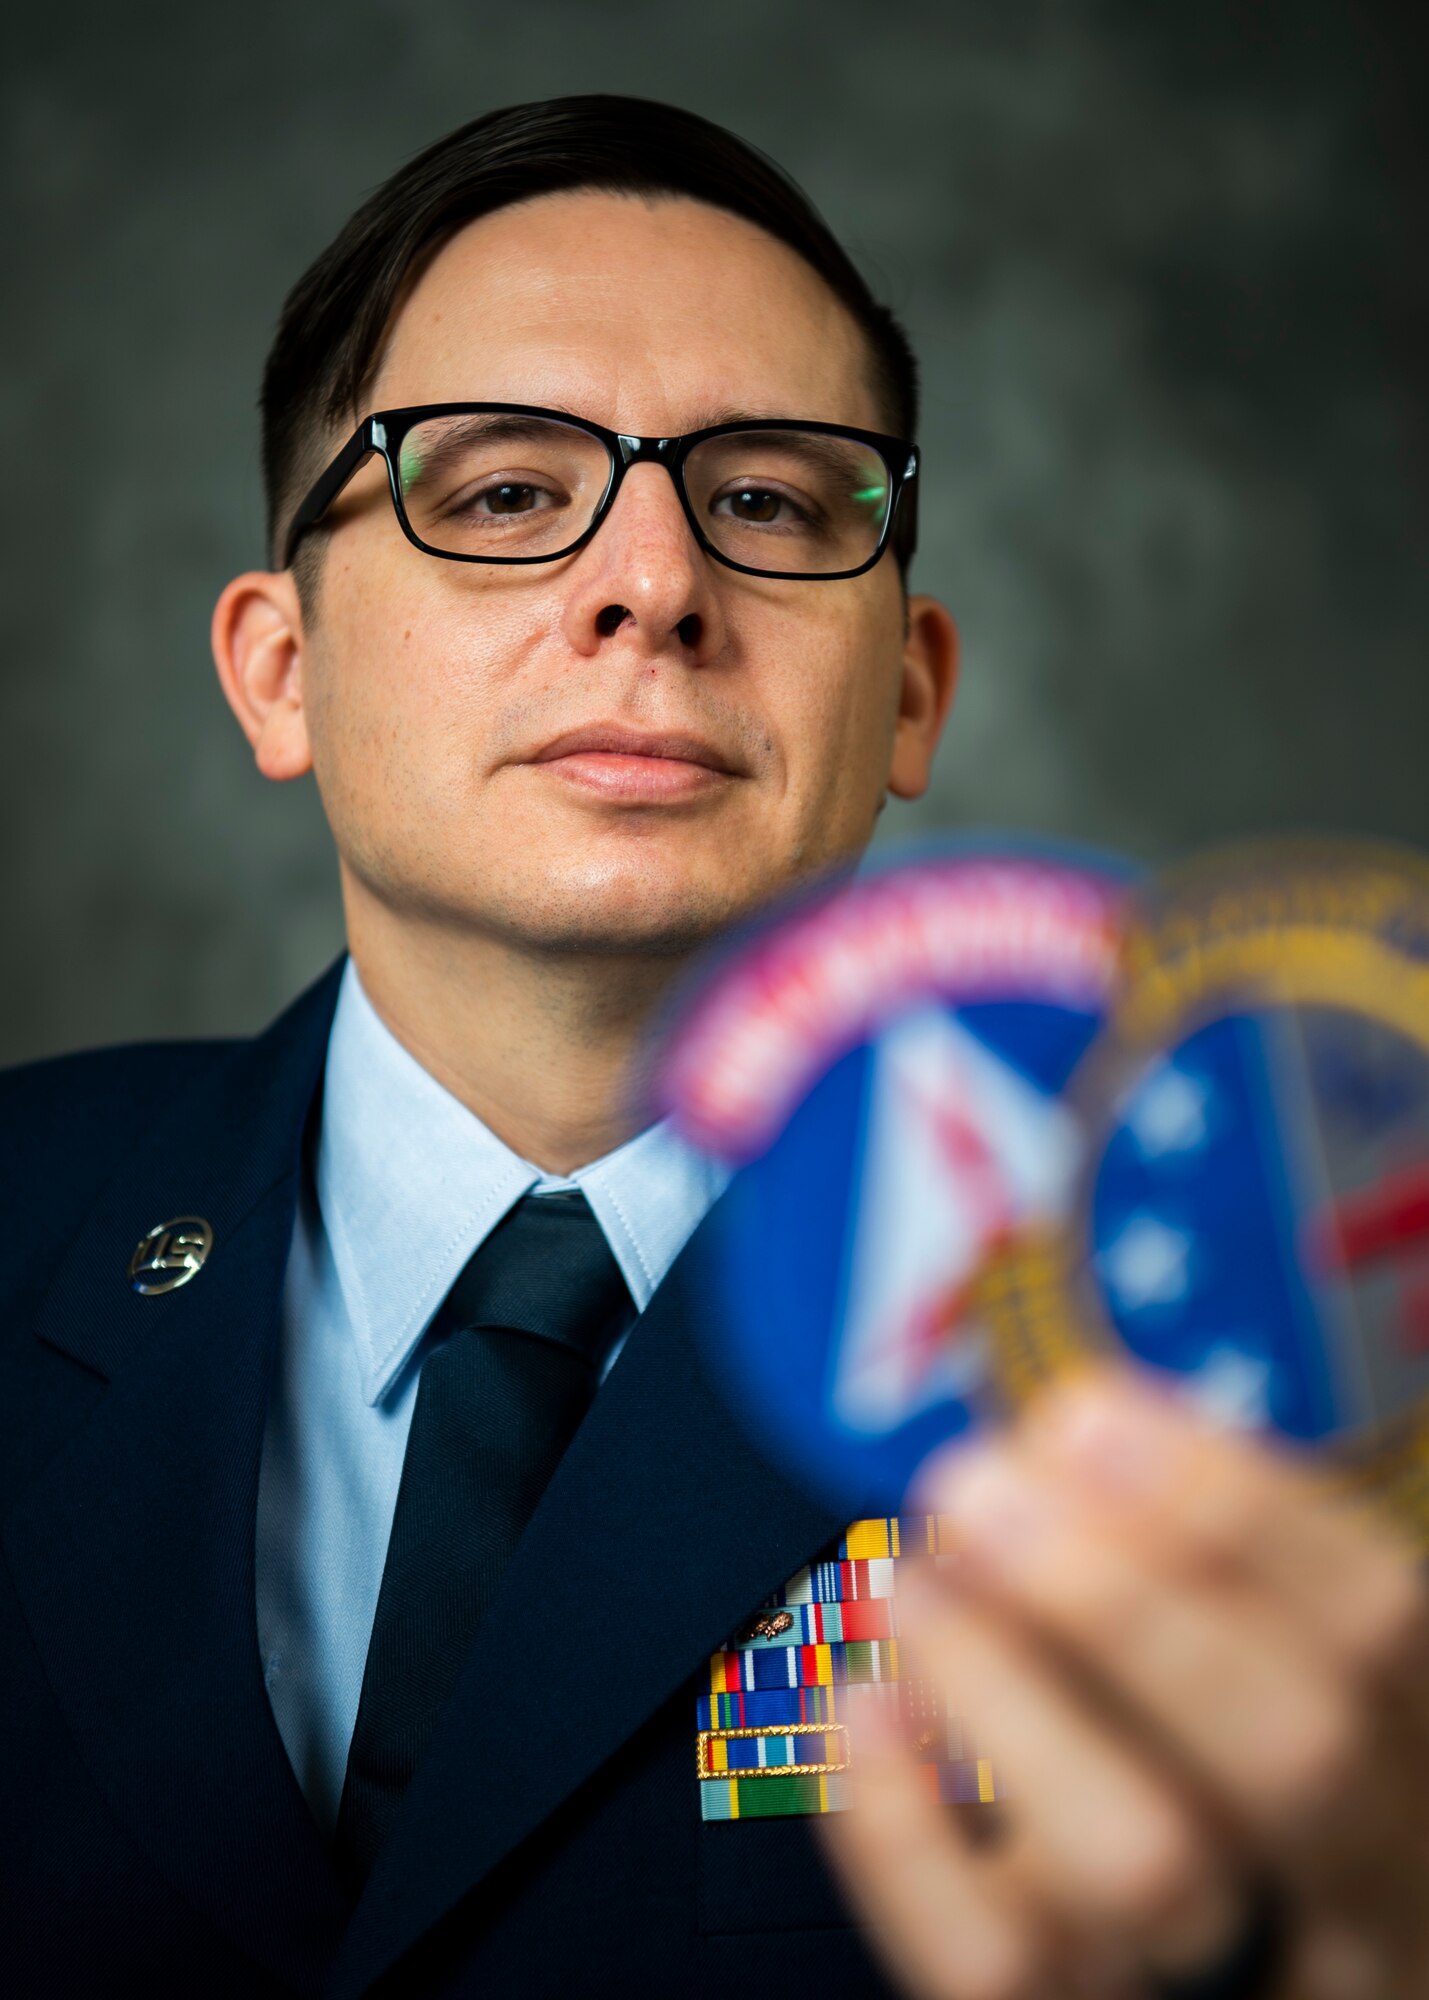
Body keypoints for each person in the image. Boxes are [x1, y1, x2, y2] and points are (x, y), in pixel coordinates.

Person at [0, 93, 1423, 2000]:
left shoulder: (1264, 1344)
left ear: (908, 692)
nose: (653, 584)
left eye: (764, 499)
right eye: (501, 491)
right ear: (282, 672)